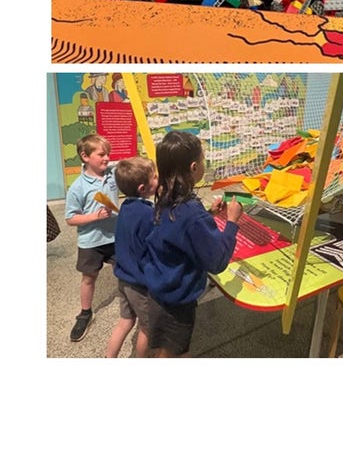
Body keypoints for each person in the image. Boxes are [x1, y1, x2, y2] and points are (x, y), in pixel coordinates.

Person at [143, 131, 242, 357]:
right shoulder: (191, 213)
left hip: (159, 290)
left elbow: (177, 230)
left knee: (164, 348)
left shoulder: (165, 196)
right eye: (204, 160)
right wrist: (232, 222)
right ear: (194, 167)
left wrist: (208, 214)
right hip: (176, 301)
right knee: (175, 353)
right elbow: (217, 261)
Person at [65, 134, 119, 342]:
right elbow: (70, 218)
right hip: (91, 242)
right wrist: (93, 216)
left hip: (114, 236)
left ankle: (132, 303)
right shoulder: (77, 187)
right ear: (85, 156)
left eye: (108, 154)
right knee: (88, 277)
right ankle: (85, 313)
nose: (107, 158)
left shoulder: (112, 174)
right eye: (101, 154)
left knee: (125, 270)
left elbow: (126, 164)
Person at [106, 155, 158, 358]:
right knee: (148, 328)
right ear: (142, 188)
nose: (158, 179)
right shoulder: (147, 214)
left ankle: (109, 357)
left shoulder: (126, 206)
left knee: (125, 321)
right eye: (154, 177)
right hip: (139, 284)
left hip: (123, 277)